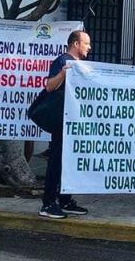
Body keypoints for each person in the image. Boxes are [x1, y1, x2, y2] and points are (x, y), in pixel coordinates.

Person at [39, 30, 92, 219]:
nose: (89, 47)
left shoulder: (80, 64)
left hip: (73, 121)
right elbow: (49, 86)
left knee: (67, 162)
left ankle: (65, 200)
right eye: (86, 43)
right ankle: (48, 203)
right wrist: (62, 74)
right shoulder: (63, 61)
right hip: (62, 120)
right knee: (56, 161)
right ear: (76, 44)